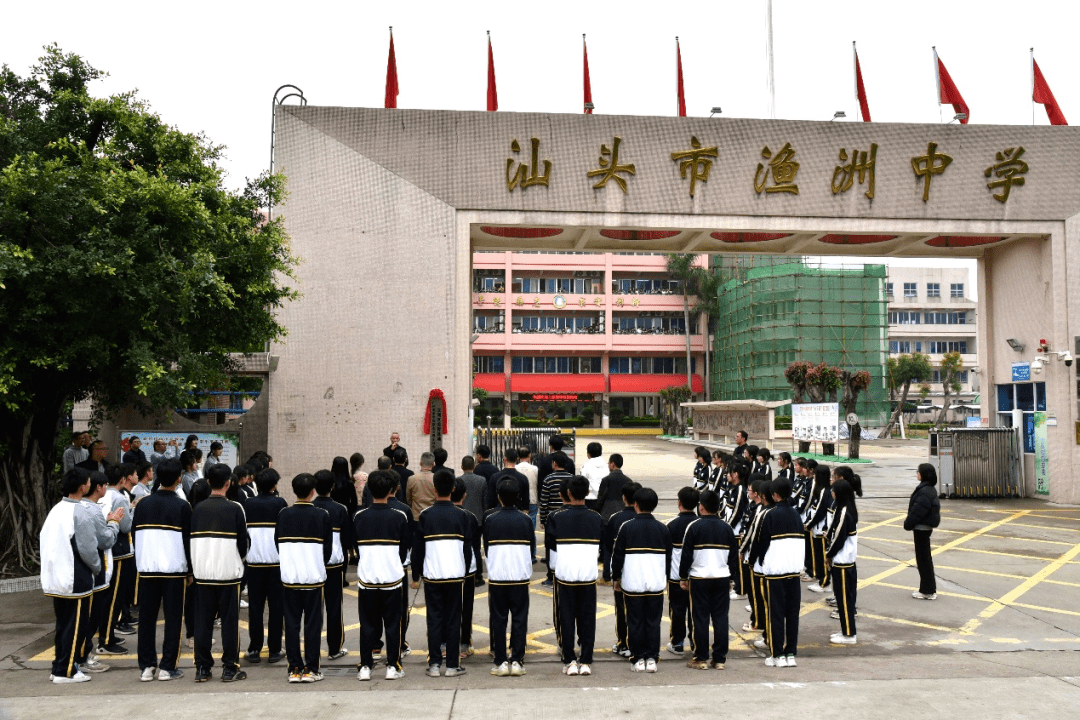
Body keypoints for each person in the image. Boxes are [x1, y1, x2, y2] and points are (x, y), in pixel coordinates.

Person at [40, 468, 122, 683]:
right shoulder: (81, 512)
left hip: (57, 577)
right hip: (75, 577)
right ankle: (65, 671)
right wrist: (97, 568)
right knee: (75, 627)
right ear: (83, 486)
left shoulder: (57, 509)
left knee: (64, 626)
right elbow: (88, 548)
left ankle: (60, 666)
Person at [133, 458, 192, 681]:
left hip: (147, 568)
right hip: (174, 570)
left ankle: (147, 667)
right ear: (178, 480)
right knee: (174, 618)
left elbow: (134, 535)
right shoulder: (182, 506)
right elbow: (188, 541)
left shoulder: (143, 504)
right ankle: (168, 667)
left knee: (146, 618)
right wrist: (190, 571)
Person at [190, 463, 249, 682]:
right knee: (230, 622)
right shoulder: (235, 508)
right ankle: (229, 667)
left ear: (207, 482)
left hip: (202, 574)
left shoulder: (196, 509)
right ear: (229, 483)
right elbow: (243, 545)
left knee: (203, 622)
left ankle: (202, 668)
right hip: (228, 574)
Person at [411, 469, 472, 678]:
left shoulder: (425, 516)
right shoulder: (462, 515)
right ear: (453, 489)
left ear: (434, 489)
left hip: (433, 575)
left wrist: (416, 575)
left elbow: (418, 549)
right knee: (454, 619)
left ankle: (435, 664)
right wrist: (464, 571)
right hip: (455, 575)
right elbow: (467, 549)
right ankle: (453, 665)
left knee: (434, 618)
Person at [352, 470, 412, 681]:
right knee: (393, 623)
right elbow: (404, 549)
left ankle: (365, 666)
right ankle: (393, 666)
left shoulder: (359, 517)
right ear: (391, 490)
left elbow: (356, 547)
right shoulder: (400, 516)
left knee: (367, 624)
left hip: (367, 579)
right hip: (392, 579)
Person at [276, 473, 334, 683]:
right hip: (313, 577)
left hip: (290, 577)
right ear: (313, 492)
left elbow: (278, 544)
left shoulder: (283, 514)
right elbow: (327, 550)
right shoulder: (322, 515)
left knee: (291, 623)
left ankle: (294, 668)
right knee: (312, 623)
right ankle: (311, 668)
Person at [546, 475, 603, 677]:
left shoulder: (556, 517)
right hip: (588, 575)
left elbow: (551, 550)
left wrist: (555, 570)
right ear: (587, 493)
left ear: (568, 494)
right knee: (588, 618)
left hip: (565, 575)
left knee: (566, 618)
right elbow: (601, 550)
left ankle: (569, 660)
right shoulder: (597, 518)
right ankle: (586, 659)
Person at [612, 487, 672, 673]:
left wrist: (616, 578)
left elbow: (618, 556)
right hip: (655, 584)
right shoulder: (663, 529)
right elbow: (669, 559)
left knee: (635, 621)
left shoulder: (627, 527)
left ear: (635, 505)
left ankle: (637, 658)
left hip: (633, 584)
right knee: (653, 622)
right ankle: (652, 658)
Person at [679, 489, 739, 670]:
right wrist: (732, 579)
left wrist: (683, 576)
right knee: (721, 618)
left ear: (701, 507)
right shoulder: (727, 528)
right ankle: (720, 658)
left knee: (700, 618)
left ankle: (701, 657)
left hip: (699, 578)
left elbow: (686, 555)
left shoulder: (694, 527)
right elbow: (733, 558)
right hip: (721, 577)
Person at [750, 477, 804, 668]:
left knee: (775, 613)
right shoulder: (797, 515)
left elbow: (760, 542)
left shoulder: (770, 515)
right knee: (792, 614)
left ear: (774, 495)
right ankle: (790, 653)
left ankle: (777, 654)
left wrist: (755, 560)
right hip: (794, 571)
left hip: (775, 573)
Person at [483, 478, 535, 678]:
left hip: (498, 577)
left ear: (498, 498)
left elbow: (487, 547)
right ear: (518, 498)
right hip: (519, 577)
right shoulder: (526, 520)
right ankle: (518, 660)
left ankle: (501, 660)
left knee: (498, 619)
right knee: (520, 618)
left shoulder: (490, 519)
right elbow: (531, 548)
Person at [243, 468, 288, 665]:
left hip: (253, 563)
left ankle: (254, 649)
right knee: (276, 608)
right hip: (277, 563)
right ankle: (275, 650)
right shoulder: (280, 504)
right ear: (274, 485)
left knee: (255, 608)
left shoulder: (248, 504)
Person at [75, 472, 118, 674]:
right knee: (91, 617)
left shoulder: (74, 507)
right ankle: (84, 657)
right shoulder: (92, 511)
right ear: (98, 487)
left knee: (80, 618)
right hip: (96, 571)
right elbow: (105, 540)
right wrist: (114, 522)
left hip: (79, 572)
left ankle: (80, 655)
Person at [314, 469, 354, 661]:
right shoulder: (340, 509)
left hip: (313, 565)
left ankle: (312, 649)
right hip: (334, 566)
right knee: (334, 608)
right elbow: (346, 541)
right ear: (332, 487)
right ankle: (334, 648)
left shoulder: (311, 508)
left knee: (313, 609)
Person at [96, 465, 134, 655]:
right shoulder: (119, 497)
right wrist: (133, 511)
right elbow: (126, 526)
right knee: (114, 598)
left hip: (109, 551)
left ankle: (108, 633)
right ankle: (106, 640)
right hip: (120, 551)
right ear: (122, 480)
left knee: (109, 596)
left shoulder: (103, 497)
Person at [603, 482, 640, 657]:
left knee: (622, 608)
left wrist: (612, 574)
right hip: (641, 570)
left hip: (622, 570)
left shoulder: (615, 518)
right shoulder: (647, 519)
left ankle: (623, 643)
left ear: (623, 498)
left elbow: (609, 546)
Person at [826, 476, 862, 645]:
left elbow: (838, 538)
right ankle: (846, 631)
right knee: (843, 599)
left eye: (833, 490)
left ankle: (849, 634)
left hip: (842, 562)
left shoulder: (844, 513)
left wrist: (828, 555)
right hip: (846, 561)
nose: (831, 492)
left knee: (844, 600)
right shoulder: (847, 509)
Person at [664, 486, 699, 656]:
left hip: (675, 577)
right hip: (696, 577)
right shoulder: (699, 525)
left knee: (677, 610)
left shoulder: (671, 525)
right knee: (695, 610)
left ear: (679, 503)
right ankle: (695, 642)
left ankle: (677, 642)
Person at [452, 477, 484, 660]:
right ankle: (464, 643)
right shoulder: (470, 517)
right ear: (464, 495)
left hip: (443, 570)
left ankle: (443, 643)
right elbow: (472, 547)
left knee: (445, 607)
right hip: (466, 570)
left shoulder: (434, 514)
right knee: (466, 606)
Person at [904, 463, 941, 601]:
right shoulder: (928, 489)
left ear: (924, 474)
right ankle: (928, 589)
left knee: (923, 559)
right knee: (924, 559)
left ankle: (927, 591)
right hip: (923, 528)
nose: (916, 474)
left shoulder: (925, 491)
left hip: (922, 528)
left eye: (918, 472)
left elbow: (918, 510)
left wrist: (908, 523)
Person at [538, 451, 573, 588]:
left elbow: (544, 501)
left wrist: (543, 519)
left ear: (554, 464)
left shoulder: (548, 479)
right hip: (569, 516)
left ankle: (551, 576)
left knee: (550, 547)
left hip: (552, 518)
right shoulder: (572, 478)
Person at [723, 464, 751, 599]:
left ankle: (741, 591)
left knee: (739, 562)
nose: (727, 475)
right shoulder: (732, 488)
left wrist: (727, 527)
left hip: (736, 531)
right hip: (731, 530)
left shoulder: (740, 490)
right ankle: (736, 585)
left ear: (735, 475)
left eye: (729, 473)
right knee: (733, 560)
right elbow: (727, 509)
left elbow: (737, 512)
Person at [805, 466, 833, 593]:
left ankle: (824, 582)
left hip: (821, 529)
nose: (814, 476)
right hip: (816, 529)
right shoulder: (819, 490)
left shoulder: (824, 491)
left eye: (815, 474)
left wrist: (810, 524)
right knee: (817, 555)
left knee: (822, 557)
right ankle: (820, 579)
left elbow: (821, 511)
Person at [487, 447, 528, 513]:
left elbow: (490, 500)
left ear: (505, 459)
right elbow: (526, 503)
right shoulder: (523, 478)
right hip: (517, 513)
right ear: (516, 460)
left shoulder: (494, 477)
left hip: (498, 513)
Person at [595, 454, 632, 521]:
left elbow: (600, 499)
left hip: (607, 515)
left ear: (612, 464)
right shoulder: (628, 481)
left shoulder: (606, 480)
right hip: (624, 515)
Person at [406, 452, 438, 520]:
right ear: (433, 464)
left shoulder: (412, 479)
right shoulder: (437, 479)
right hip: (432, 516)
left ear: (420, 463)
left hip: (417, 516)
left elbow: (408, 499)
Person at [516, 446, 539, 527]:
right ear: (530, 455)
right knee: (531, 526)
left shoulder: (515, 468)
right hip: (532, 499)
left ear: (518, 456)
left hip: (518, 501)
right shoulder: (535, 469)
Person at [458, 455, 487, 521]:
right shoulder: (482, 480)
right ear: (474, 466)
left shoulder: (458, 480)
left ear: (462, 467)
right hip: (478, 518)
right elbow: (485, 502)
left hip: (462, 517)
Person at [580, 442, 607, 510]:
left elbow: (583, 484)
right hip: (605, 500)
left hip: (590, 500)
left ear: (588, 454)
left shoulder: (585, 467)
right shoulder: (607, 466)